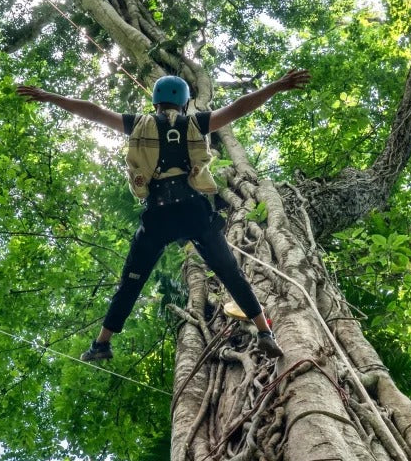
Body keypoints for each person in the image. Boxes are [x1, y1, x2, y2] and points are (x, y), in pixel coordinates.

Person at [16, 70, 311, 364]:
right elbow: (238, 107)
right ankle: (264, 332)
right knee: (229, 272)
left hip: (158, 216)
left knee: (131, 282)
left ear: (155, 101)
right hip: (193, 211)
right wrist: (276, 86)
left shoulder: (139, 124)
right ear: (184, 102)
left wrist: (50, 97)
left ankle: (102, 343)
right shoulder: (195, 122)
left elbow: (94, 112)